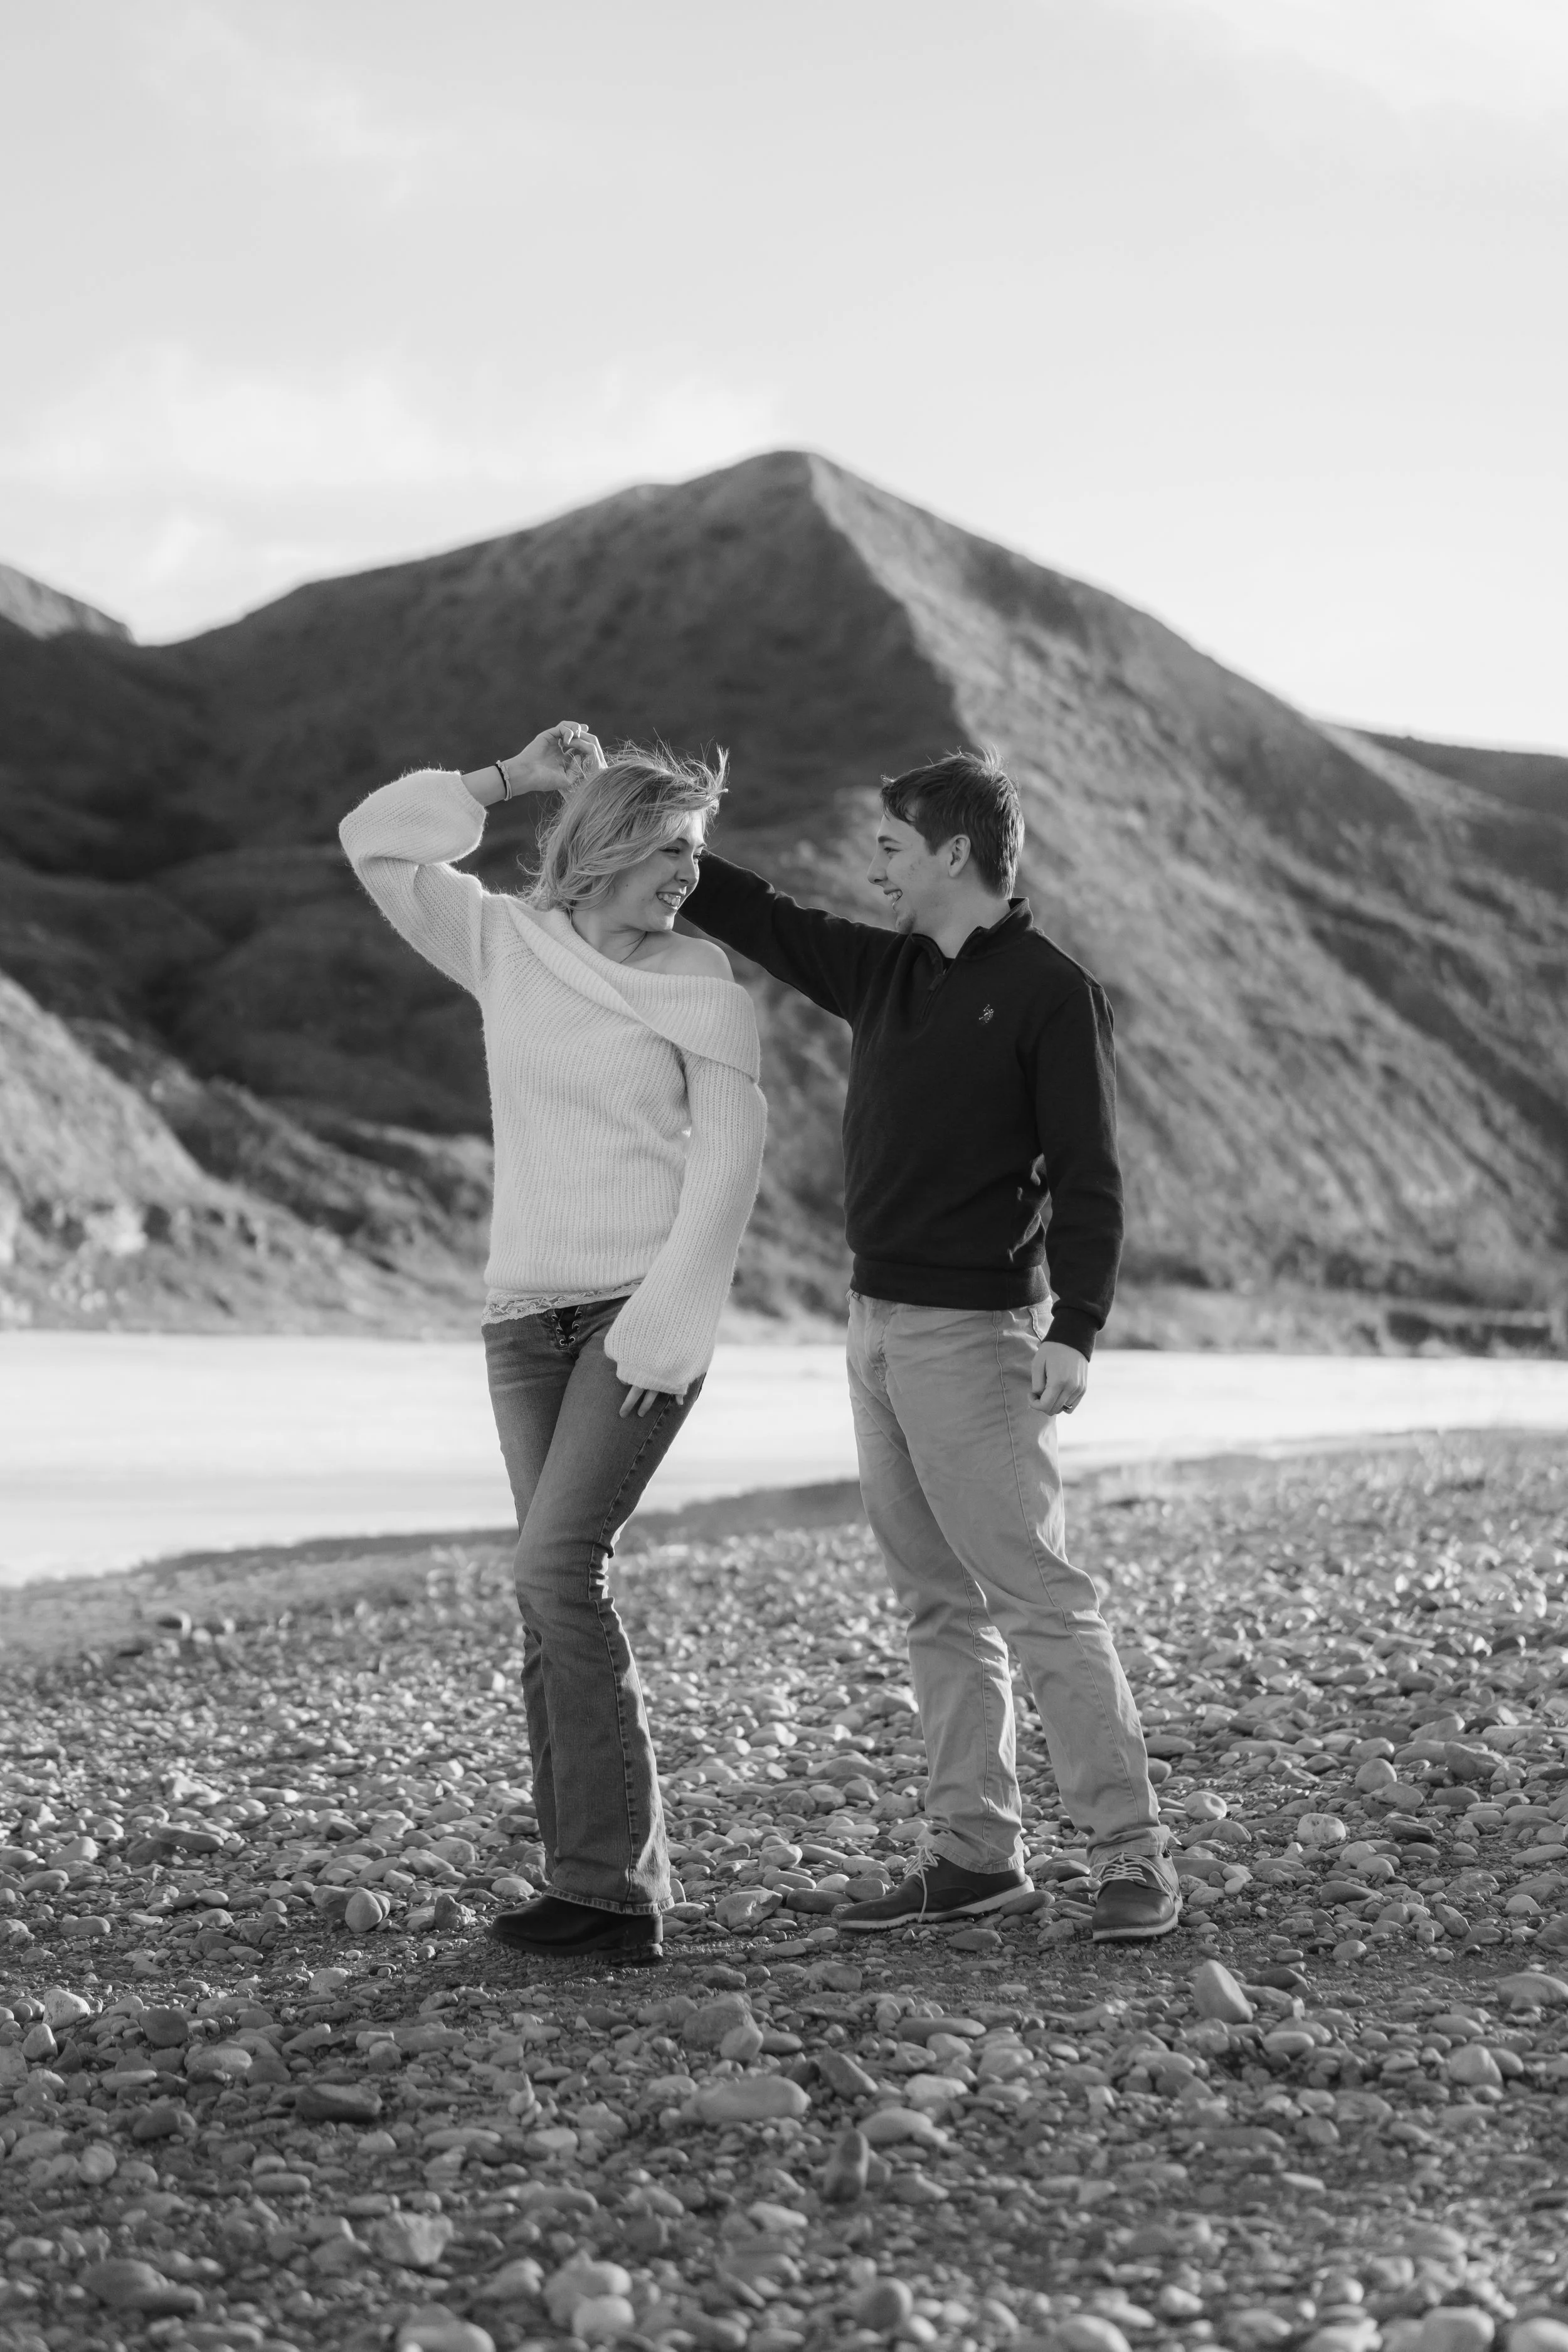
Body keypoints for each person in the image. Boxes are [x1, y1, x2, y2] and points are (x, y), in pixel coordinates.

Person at [676, 744, 1181, 1942]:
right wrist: (652, 828)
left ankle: (1134, 1855)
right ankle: (972, 1854)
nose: (878, 869)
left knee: (1039, 1598)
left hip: (979, 1336)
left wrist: (1079, 1327)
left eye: (894, 848)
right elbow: (761, 914)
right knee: (936, 1605)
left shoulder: (1053, 992)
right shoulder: (887, 972)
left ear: (956, 852)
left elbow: (1091, 1178)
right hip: (873, 1327)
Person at [339, 724, 766, 1966]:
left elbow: (731, 1165)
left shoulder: (704, 982)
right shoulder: (508, 945)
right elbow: (375, 839)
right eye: (670, 848)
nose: (688, 872)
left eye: (694, 851)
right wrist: (508, 781)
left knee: (555, 1572)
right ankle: (582, 1884)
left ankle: (619, 1893)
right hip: (523, 1322)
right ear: (605, 845)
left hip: (639, 1317)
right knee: (548, 1594)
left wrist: (667, 1329)